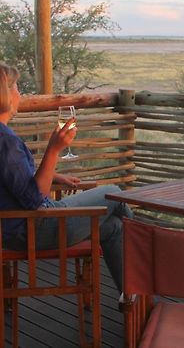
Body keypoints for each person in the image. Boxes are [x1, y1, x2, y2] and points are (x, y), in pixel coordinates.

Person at [0, 63, 133, 294]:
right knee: (114, 193)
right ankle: (154, 259)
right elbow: (33, 199)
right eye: (16, 87)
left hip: (14, 230)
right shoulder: (5, 141)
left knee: (113, 227)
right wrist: (54, 150)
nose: (20, 94)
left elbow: (13, 183)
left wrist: (53, 173)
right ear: (5, 95)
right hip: (33, 229)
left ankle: (132, 297)